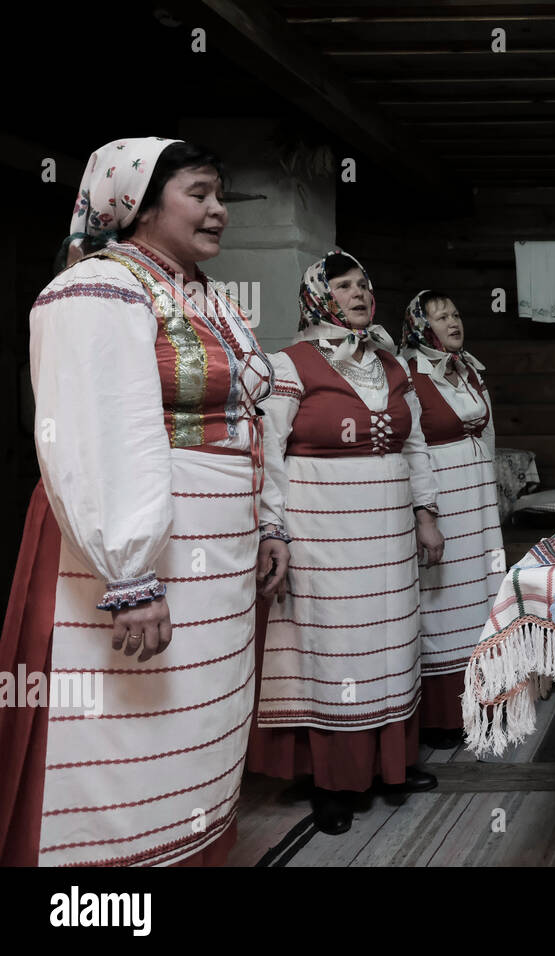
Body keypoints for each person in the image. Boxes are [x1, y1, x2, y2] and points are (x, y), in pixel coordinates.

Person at [0, 138, 288, 866]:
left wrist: (267, 526)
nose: (219, 210)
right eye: (200, 193)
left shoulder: (204, 297)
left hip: (212, 555)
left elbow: (253, 419)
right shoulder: (96, 290)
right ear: (138, 203)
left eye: (220, 195)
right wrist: (129, 574)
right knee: (123, 730)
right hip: (131, 557)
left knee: (194, 730)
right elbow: (96, 434)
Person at [245, 252, 443, 835]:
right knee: (337, 652)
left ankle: (393, 766)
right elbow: (268, 458)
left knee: (392, 639)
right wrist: (271, 529)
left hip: (387, 536)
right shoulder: (288, 365)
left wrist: (425, 514)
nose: (358, 293)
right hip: (323, 534)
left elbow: (415, 447)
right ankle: (335, 782)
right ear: (317, 296)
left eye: (363, 284)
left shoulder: (390, 365)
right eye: (343, 285)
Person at [399, 291, 505, 748]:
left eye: (456, 313)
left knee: (483, 592)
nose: (452, 322)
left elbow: (491, 435)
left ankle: (487, 702)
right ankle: (444, 715)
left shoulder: (472, 370)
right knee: (444, 600)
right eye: (440, 317)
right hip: (443, 497)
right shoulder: (408, 374)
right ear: (421, 326)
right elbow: (413, 447)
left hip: (478, 498)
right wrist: (425, 512)